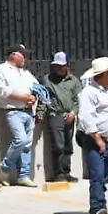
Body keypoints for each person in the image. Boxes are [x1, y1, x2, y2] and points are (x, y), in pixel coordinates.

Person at [78, 57, 108, 214]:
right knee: (97, 177)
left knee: (104, 177)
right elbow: (86, 117)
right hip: (95, 141)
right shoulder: (89, 92)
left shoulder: (107, 91)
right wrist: (98, 139)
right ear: (103, 74)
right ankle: (97, 209)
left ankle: (100, 208)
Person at [0, 44, 40, 187]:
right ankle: (5, 168)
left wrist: (33, 97)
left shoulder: (25, 72)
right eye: (23, 54)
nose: (25, 57)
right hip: (13, 111)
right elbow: (1, 90)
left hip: (28, 111)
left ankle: (23, 175)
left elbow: (35, 86)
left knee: (27, 145)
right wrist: (22, 97)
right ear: (13, 55)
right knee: (20, 139)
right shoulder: (1, 70)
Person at [39, 52, 81, 183]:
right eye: (56, 66)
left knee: (68, 145)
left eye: (61, 66)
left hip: (69, 116)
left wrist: (73, 113)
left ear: (67, 66)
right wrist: (40, 111)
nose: (58, 68)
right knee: (58, 146)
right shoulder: (48, 80)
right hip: (55, 114)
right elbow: (43, 97)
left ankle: (66, 172)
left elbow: (78, 100)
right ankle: (58, 173)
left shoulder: (74, 81)